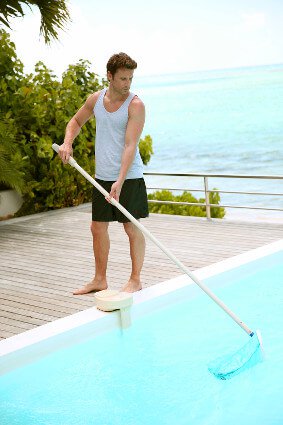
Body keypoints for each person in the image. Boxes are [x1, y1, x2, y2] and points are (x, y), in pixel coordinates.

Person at [58, 52, 149, 294]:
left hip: (128, 176)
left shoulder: (136, 105)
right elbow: (75, 122)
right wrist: (68, 143)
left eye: (130, 78)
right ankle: (100, 279)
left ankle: (136, 279)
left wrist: (119, 181)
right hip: (102, 176)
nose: (127, 84)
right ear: (109, 76)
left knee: (131, 227)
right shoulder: (96, 100)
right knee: (97, 227)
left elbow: (130, 146)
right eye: (122, 78)